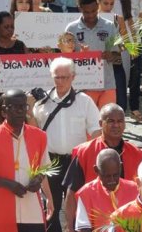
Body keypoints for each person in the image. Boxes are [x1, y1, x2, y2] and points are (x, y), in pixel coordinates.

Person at [32, 57, 100, 232]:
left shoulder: (84, 101)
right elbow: (33, 132)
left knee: (77, 205)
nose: (60, 81)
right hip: (50, 160)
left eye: (65, 77)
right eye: (57, 77)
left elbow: (96, 131)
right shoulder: (42, 102)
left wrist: (92, 156)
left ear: (73, 77)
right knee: (51, 207)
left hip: (76, 161)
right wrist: (28, 108)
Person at [0, 89, 54, 232]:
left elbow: (44, 167)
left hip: (31, 209)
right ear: (4, 111)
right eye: (15, 107)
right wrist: (8, 184)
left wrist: (38, 179)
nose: (20, 111)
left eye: (23, 106)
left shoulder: (39, 136)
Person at [63, 103, 142, 229]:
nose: (116, 125)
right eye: (111, 121)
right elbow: (71, 193)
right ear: (101, 124)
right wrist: (70, 227)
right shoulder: (83, 152)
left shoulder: (136, 154)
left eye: (120, 121)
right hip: (93, 223)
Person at [66, 0, 119, 108]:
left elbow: (118, 57)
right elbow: (66, 58)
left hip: (107, 84)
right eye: (86, 12)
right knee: (87, 124)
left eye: (94, 11)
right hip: (83, 86)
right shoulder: (71, 28)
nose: (90, 15)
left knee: (107, 121)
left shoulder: (109, 26)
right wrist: (80, 55)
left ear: (97, 6)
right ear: (80, 8)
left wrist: (111, 56)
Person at [74, 149, 139, 232]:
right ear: (96, 170)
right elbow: (82, 228)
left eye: (115, 175)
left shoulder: (135, 189)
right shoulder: (86, 193)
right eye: (107, 176)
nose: (112, 180)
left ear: (120, 167)